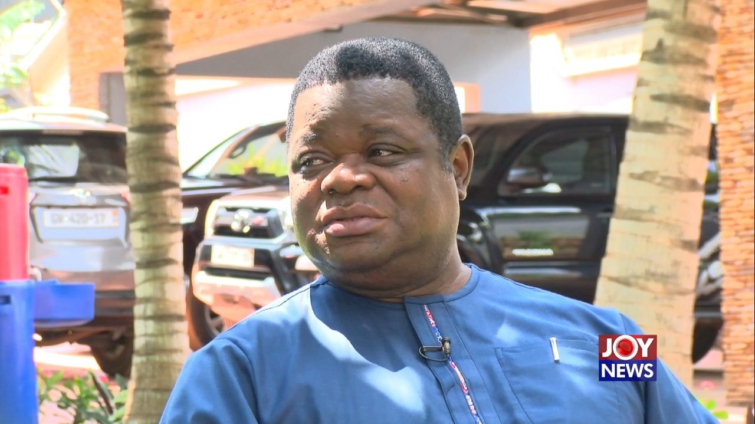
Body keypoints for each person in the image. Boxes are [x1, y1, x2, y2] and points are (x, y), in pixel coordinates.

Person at [160, 37, 716, 423]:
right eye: (312, 161)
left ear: (458, 168)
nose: (341, 178)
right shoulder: (238, 373)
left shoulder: (608, 338)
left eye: (382, 151)